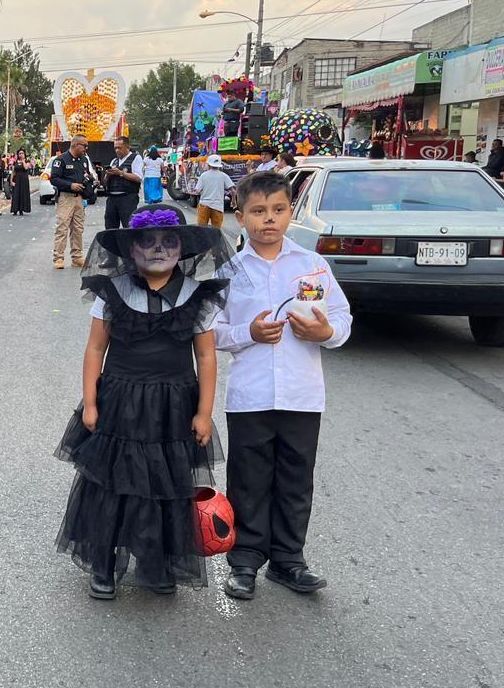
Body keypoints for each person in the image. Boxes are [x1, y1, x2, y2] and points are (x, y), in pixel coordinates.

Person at [55, 203, 233, 598]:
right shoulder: (113, 292)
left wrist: (204, 412)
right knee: (114, 483)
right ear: (131, 249)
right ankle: (104, 562)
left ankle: (157, 559)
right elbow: (94, 349)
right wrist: (90, 402)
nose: (157, 250)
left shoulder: (196, 296)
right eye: (147, 242)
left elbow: (205, 356)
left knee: (166, 484)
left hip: (173, 407)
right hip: (119, 401)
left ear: (182, 249)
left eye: (168, 242)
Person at [214, 172, 352, 600]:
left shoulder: (313, 266)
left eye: (277, 210)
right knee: (248, 480)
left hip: (302, 395)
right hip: (250, 395)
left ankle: (289, 560)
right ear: (240, 218)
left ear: (291, 212)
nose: (268, 220)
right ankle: (244, 561)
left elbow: (343, 320)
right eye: (257, 212)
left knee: (296, 479)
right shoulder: (230, 271)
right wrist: (248, 333)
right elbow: (211, 331)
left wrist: (325, 333)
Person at [50, 134, 97, 269]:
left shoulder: (83, 160)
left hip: (79, 198)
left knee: (78, 228)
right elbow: (54, 179)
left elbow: (86, 174)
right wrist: (70, 185)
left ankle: (77, 257)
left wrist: (92, 181)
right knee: (62, 228)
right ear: (75, 145)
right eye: (84, 145)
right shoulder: (61, 160)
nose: (86, 148)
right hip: (66, 197)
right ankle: (58, 258)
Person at [103, 136, 144, 229]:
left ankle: (128, 243)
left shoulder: (135, 158)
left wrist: (121, 173)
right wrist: (108, 174)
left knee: (128, 225)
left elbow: (138, 178)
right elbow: (105, 181)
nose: (117, 150)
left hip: (127, 197)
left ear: (127, 147)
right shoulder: (114, 161)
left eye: (119, 148)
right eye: (115, 148)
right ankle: (113, 243)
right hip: (112, 198)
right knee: (110, 227)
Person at [194, 155, 234, 229]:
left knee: (201, 229)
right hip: (217, 206)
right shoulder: (224, 176)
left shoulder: (203, 175)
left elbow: (197, 191)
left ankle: (203, 240)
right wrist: (233, 201)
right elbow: (233, 190)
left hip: (204, 205)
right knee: (216, 230)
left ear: (209, 164)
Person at [10, 147, 32, 215]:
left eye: (22, 153)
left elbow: (25, 167)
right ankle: (15, 210)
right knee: (16, 194)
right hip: (16, 180)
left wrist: (23, 161)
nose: (21, 154)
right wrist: (11, 181)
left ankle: (21, 210)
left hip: (24, 181)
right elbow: (13, 172)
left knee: (23, 194)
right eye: (19, 153)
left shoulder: (27, 161)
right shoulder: (15, 162)